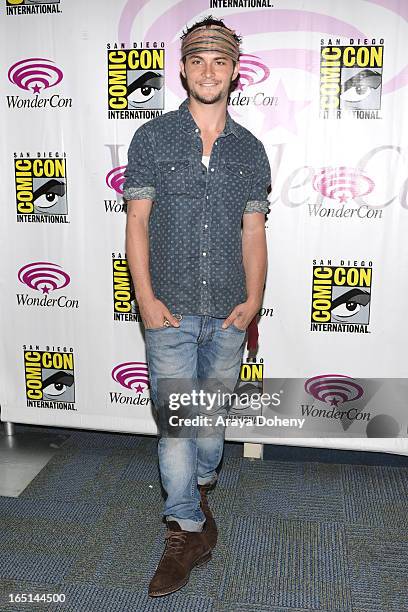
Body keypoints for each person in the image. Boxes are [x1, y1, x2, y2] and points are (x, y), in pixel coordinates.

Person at [124, 15, 271, 598]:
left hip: (230, 312)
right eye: (197, 60)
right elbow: (137, 222)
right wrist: (146, 298)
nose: (208, 70)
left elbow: (253, 232)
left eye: (220, 60)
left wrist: (254, 299)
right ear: (182, 68)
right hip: (171, 313)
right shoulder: (152, 139)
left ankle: (201, 490)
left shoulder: (251, 149)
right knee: (179, 427)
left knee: (208, 426)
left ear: (235, 71)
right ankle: (184, 525)